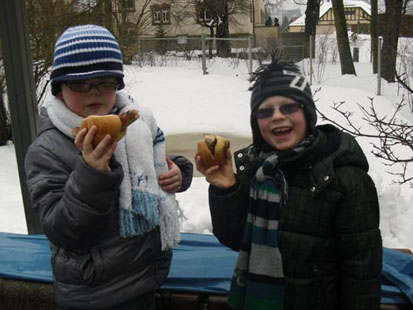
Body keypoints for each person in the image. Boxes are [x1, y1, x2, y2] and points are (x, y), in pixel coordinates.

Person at [24, 24, 193, 310]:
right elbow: (62, 230)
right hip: (95, 294)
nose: (95, 92)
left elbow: (152, 164)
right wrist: (91, 173)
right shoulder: (47, 150)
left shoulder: (133, 123)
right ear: (60, 89)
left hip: (145, 278)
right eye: (80, 84)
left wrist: (178, 171)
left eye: (106, 82)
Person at [195, 56, 383, 310]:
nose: (277, 117)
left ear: (307, 113)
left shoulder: (346, 180)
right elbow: (235, 238)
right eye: (265, 111)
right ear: (256, 123)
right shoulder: (256, 170)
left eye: (289, 107)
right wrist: (226, 188)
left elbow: (361, 273)